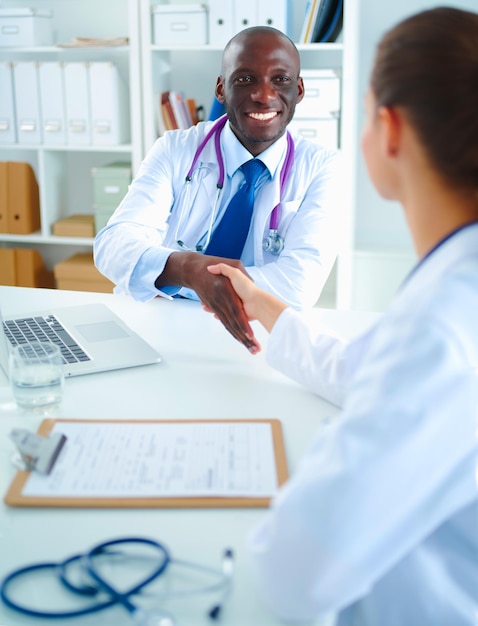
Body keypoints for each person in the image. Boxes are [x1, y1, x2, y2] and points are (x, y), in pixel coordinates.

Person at [205, 7, 478, 625]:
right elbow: (373, 371)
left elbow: (292, 573)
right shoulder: (456, 284)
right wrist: (268, 306)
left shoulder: (442, 323)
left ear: (388, 131)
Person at [93, 26, 341, 350]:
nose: (264, 95)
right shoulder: (175, 149)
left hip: (251, 338)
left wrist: (179, 274)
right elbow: (113, 246)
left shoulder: (322, 167)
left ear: (300, 89)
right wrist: (187, 269)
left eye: (280, 80)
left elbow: (299, 285)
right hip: (157, 326)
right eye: (245, 79)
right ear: (221, 89)